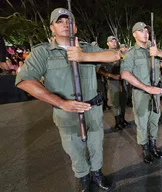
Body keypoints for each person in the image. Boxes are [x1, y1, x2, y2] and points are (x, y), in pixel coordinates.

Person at [15, 8, 118, 191]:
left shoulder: (86, 48)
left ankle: (96, 173)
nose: (65, 25)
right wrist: (60, 102)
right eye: (59, 22)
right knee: (74, 148)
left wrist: (83, 56)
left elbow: (115, 55)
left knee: (96, 144)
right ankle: (83, 177)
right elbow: (24, 81)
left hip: (92, 109)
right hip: (66, 112)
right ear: (52, 28)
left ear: (75, 28)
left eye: (69, 21)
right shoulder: (42, 52)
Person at [120, 22, 162, 164]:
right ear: (134, 34)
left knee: (154, 120)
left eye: (146, 30)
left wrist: (158, 53)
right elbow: (125, 74)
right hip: (141, 93)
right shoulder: (131, 53)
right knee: (142, 122)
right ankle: (145, 149)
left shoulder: (153, 50)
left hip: (155, 92)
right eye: (141, 31)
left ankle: (153, 145)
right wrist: (146, 88)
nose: (145, 33)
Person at [97, 36, 129, 130]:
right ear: (108, 43)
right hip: (113, 80)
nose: (114, 42)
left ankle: (123, 119)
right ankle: (117, 122)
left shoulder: (121, 53)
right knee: (115, 102)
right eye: (111, 41)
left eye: (115, 41)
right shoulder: (105, 54)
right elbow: (98, 69)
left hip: (123, 80)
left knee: (123, 100)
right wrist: (110, 75)